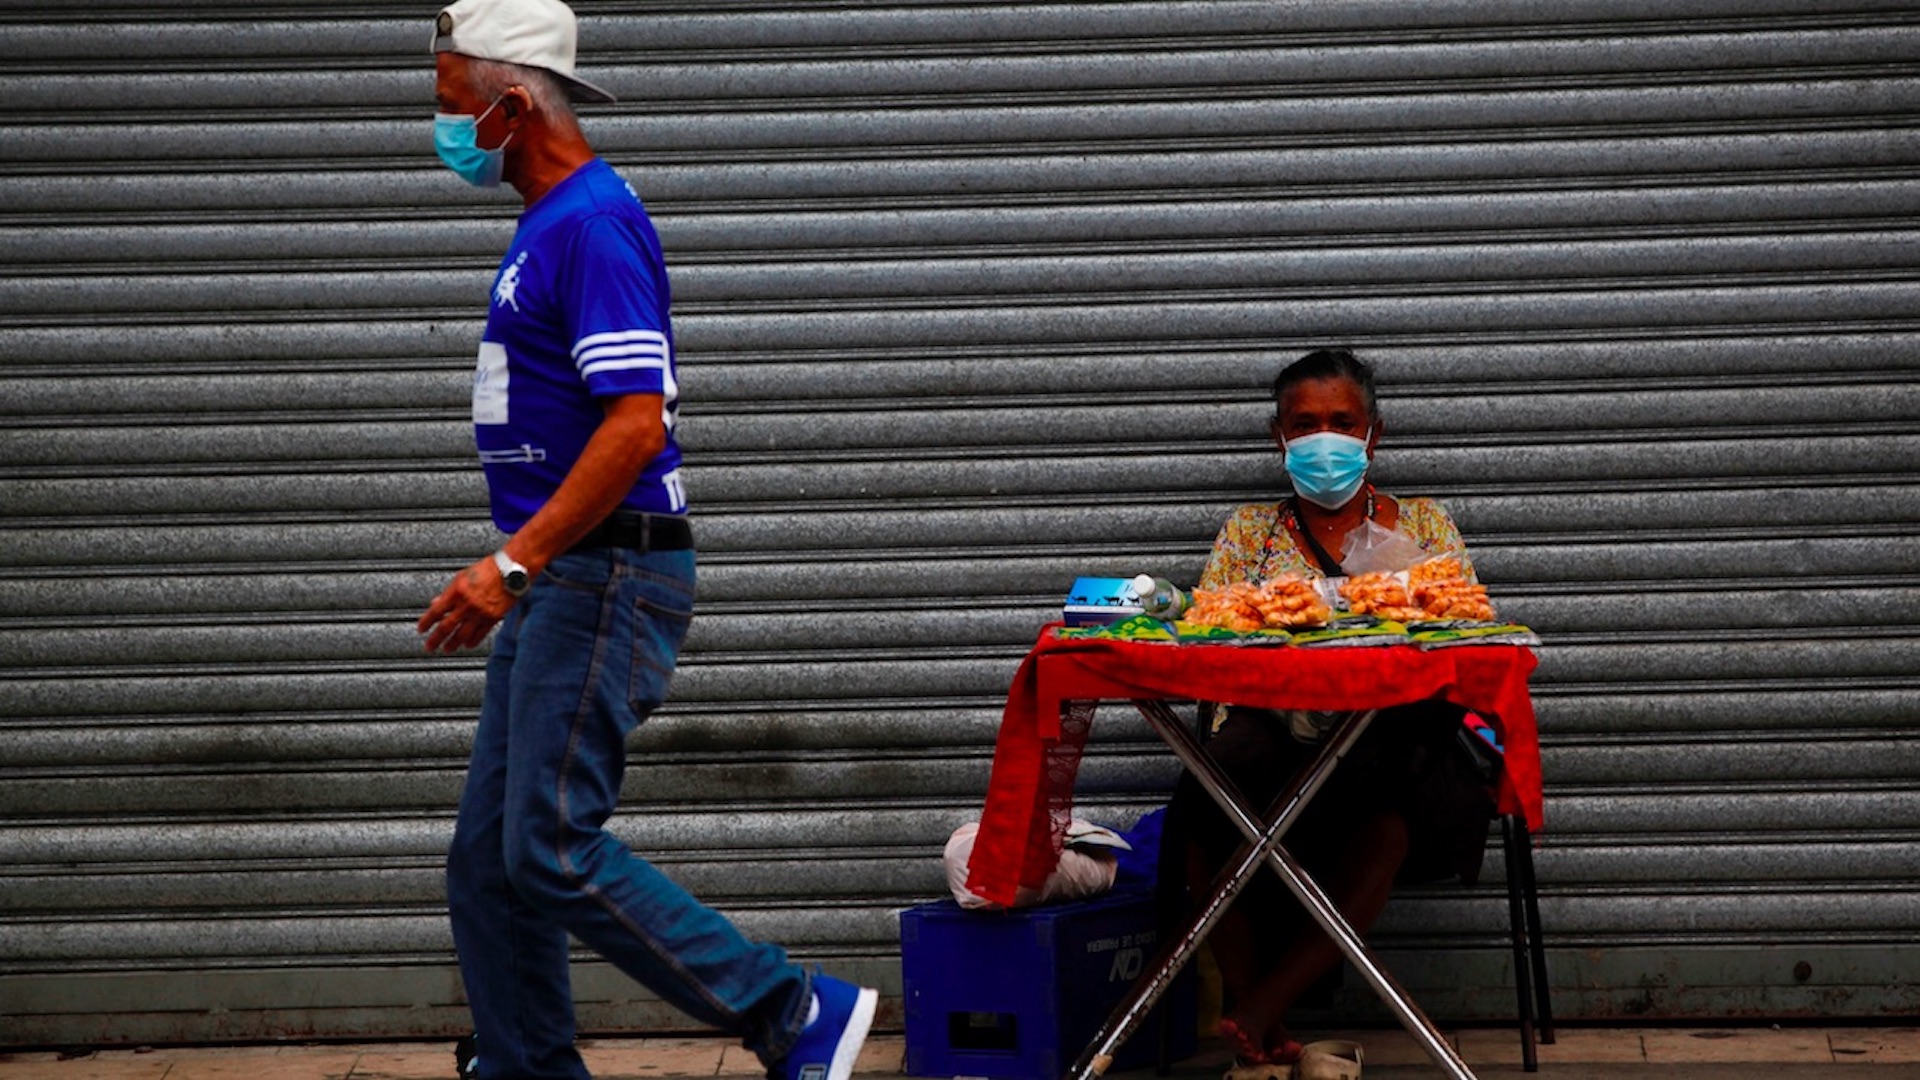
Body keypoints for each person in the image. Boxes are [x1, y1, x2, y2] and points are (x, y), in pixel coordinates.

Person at [414, 2, 876, 1077]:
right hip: (561, 576)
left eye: (448, 105)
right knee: (489, 864)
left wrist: (515, 561)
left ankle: (792, 1010)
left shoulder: (591, 224)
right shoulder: (548, 223)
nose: (437, 130)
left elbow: (636, 420)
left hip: (603, 572)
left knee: (549, 845)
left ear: (511, 106)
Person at [1158, 348, 1495, 1069]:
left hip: (1395, 735)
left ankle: (1264, 1005)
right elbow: (1212, 641)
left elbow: (1466, 640)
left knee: (1385, 804)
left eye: (1342, 422)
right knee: (1205, 797)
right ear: (1277, 437)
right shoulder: (1249, 535)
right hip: (1274, 730)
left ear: (1374, 433)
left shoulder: (1426, 528)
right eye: (1303, 424)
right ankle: (1258, 1016)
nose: (1323, 439)